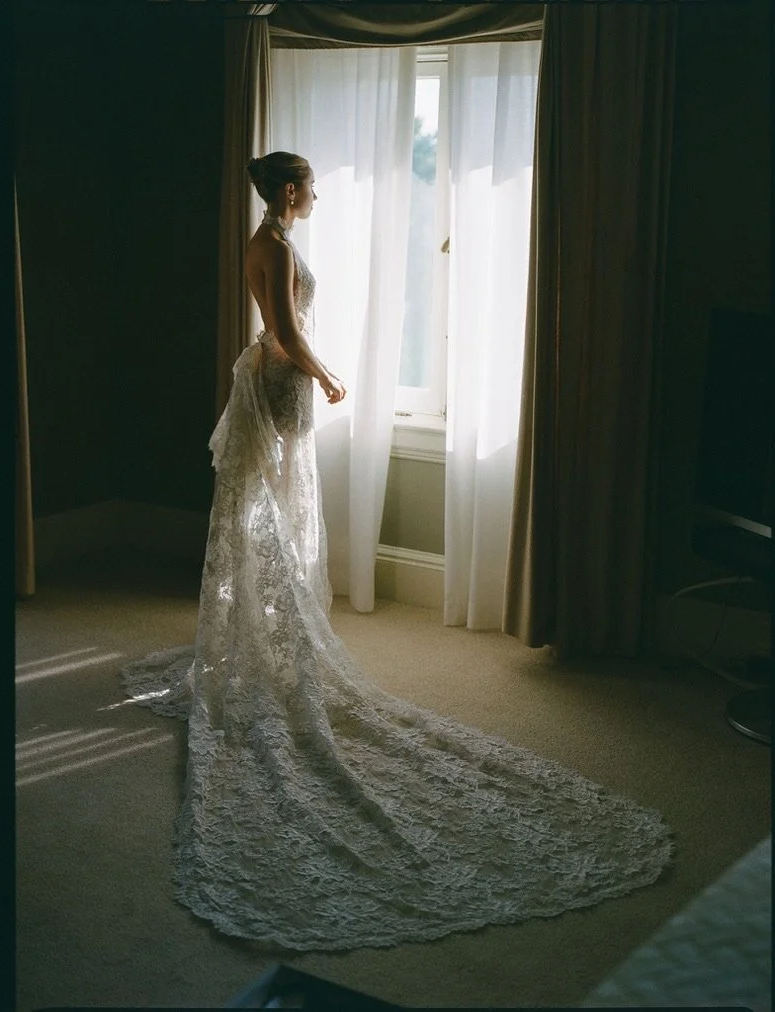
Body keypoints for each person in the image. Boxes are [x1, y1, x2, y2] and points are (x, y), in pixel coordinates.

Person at [122, 151, 673, 951]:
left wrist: (311, 367)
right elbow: (280, 329)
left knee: (275, 509)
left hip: (276, 379)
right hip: (279, 381)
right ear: (288, 191)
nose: (313, 195)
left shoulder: (264, 237)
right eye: (308, 186)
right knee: (271, 511)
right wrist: (329, 374)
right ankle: (273, 641)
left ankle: (270, 634)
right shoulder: (272, 246)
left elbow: (276, 324)